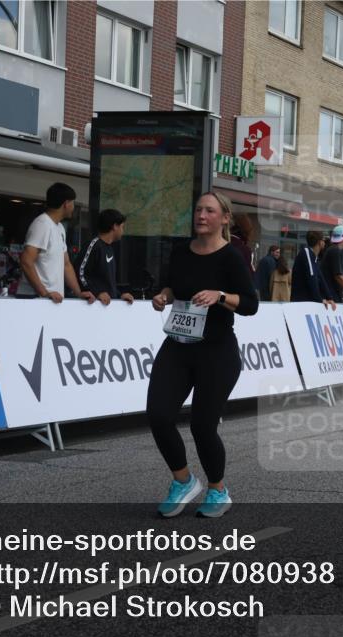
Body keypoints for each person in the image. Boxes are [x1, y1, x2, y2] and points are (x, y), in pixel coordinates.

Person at [148, 192, 258, 519]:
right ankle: (183, 481)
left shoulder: (231, 256)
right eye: (198, 209)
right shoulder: (182, 251)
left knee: (202, 426)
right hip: (178, 346)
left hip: (217, 351)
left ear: (225, 218)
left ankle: (218, 489)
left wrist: (220, 295)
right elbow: (172, 286)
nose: (201, 215)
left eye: (209, 210)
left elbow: (250, 304)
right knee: (158, 414)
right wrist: (163, 296)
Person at [16, 182, 93, 304]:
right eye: (73, 203)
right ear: (66, 204)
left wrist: (78, 293)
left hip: (52, 300)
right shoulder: (42, 224)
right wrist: (44, 293)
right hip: (36, 299)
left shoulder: (60, 228)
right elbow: (26, 261)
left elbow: (66, 265)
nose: (73, 207)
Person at [76, 208, 134, 305]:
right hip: (94, 307)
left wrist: (120, 295)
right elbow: (79, 272)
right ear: (115, 226)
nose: (123, 231)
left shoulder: (109, 248)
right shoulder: (94, 245)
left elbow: (108, 283)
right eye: (122, 227)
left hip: (108, 307)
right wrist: (97, 292)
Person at [290, 230, 335, 308]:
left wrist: (329, 298)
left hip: (307, 302)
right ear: (319, 242)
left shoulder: (314, 257)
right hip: (300, 303)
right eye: (323, 240)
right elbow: (312, 279)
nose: (324, 242)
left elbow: (321, 279)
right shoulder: (306, 253)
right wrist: (320, 300)